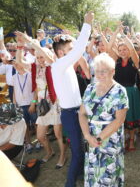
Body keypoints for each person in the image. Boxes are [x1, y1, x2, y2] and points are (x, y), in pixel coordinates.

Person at [51, 12, 93, 187]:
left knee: (82, 148)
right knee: (77, 151)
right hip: (70, 114)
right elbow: (79, 50)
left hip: (78, 111)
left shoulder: (64, 65)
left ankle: (82, 176)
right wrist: (87, 24)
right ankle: (70, 183)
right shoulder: (59, 65)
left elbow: (77, 51)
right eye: (69, 50)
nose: (73, 53)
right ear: (61, 53)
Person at [15, 31, 66, 168]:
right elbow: (19, 61)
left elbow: (47, 56)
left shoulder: (53, 66)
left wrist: (29, 40)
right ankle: (50, 152)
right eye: (38, 58)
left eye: (42, 57)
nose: (41, 60)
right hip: (43, 106)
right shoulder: (35, 68)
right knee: (41, 135)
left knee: (58, 133)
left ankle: (62, 156)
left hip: (55, 104)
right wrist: (20, 46)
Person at [79, 53, 128, 187]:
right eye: (96, 71)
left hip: (109, 139)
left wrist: (99, 138)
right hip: (91, 137)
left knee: (108, 174)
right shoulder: (89, 88)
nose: (99, 74)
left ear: (113, 71)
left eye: (103, 71)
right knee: (93, 171)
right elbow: (82, 114)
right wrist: (88, 136)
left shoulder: (120, 91)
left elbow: (119, 120)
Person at [108, 23, 140, 151]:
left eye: (125, 49)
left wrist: (123, 35)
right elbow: (109, 46)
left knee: (131, 117)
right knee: (119, 119)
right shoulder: (115, 60)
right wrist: (116, 31)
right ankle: (122, 139)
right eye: (121, 49)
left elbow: (133, 49)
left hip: (131, 92)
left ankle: (132, 140)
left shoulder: (134, 60)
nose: (123, 51)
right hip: (117, 92)